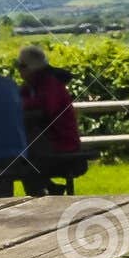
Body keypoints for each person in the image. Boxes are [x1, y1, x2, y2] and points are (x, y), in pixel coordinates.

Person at [17, 44, 84, 195]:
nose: (19, 70)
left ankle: (45, 196)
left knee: (24, 164)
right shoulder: (32, 86)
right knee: (21, 162)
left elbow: (46, 110)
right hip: (47, 142)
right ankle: (50, 190)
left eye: (21, 66)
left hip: (62, 142)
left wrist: (18, 105)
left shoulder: (50, 83)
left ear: (32, 67)